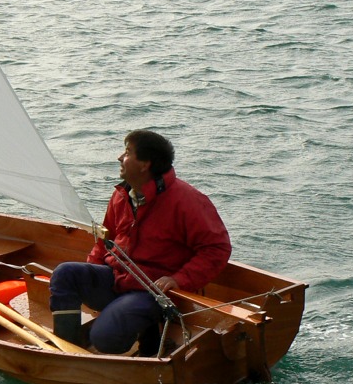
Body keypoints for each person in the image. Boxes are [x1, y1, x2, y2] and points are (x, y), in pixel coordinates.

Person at [49, 130, 232, 354]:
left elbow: (217, 249)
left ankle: (147, 331)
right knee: (65, 273)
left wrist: (179, 279)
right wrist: (93, 272)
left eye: (127, 152)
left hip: (152, 293)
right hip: (117, 279)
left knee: (105, 339)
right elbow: (106, 242)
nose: (119, 157)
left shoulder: (188, 201)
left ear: (145, 165)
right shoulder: (122, 195)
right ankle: (67, 349)